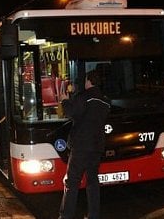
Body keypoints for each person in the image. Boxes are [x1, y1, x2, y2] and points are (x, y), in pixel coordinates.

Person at [58, 70, 111, 219]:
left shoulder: (84, 97)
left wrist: (64, 100)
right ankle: (93, 215)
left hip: (81, 146)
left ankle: (66, 216)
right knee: (93, 181)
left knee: (72, 182)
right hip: (97, 147)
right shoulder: (105, 101)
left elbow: (71, 112)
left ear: (88, 81)